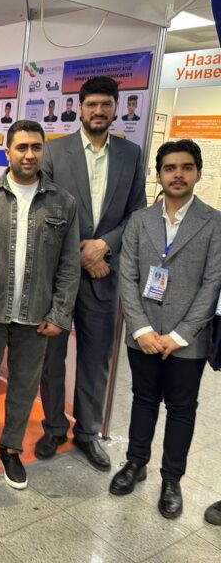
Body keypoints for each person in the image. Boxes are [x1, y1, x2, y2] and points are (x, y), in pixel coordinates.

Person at [0, 120, 80, 489]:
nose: (29, 154)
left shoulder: (63, 203)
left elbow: (69, 264)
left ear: (43, 151)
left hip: (36, 316)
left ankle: (10, 449)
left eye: (36, 147)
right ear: (7, 151)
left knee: (24, 387)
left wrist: (60, 314)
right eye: (22, 147)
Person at [35, 76, 146, 471]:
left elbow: (137, 212)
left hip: (104, 275)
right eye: (92, 104)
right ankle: (53, 427)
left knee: (96, 359)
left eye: (106, 104)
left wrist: (104, 246)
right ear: (79, 108)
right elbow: (44, 210)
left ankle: (87, 432)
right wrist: (83, 253)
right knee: (51, 357)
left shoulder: (131, 154)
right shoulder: (53, 151)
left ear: (116, 108)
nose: (99, 111)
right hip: (58, 277)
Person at [110, 139, 221, 520]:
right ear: (158, 174)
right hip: (142, 335)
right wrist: (140, 328)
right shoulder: (140, 221)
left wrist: (179, 335)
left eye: (186, 167)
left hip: (187, 342)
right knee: (142, 399)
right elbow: (127, 276)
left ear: (198, 173)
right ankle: (135, 462)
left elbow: (212, 284)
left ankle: (172, 479)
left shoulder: (214, 222)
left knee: (181, 409)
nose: (178, 175)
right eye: (170, 168)